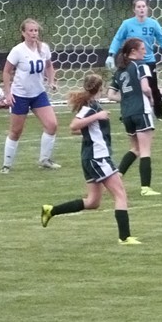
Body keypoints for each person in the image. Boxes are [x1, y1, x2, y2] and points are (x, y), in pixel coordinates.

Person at [40, 73, 141, 245]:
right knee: (120, 194)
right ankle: (124, 237)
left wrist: (93, 131)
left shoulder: (91, 106)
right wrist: (98, 117)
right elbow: (73, 125)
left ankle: (51, 210)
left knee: (93, 202)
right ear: (100, 88)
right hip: (98, 157)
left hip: (89, 157)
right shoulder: (91, 108)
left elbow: (77, 130)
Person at [0, 18, 61, 173]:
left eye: (36, 30)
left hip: (38, 94)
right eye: (31, 31)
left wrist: (51, 81)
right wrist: (8, 93)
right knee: (16, 131)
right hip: (20, 95)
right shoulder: (18, 50)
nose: (34, 33)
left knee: (52, 125)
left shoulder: (44, 48)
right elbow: (6, 71)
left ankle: (45, 160)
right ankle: (6, 165)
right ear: (23, 33)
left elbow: (49, 66)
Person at [106, 0, 162, 121]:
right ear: (134, 10)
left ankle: (158, 113)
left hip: (148, 61)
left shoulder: (153, 24)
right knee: (131, 88)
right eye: (138, 7)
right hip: (131, 62)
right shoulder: (127, 24)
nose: (141, 9)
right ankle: (127, 113)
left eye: (143, 6)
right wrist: (111, 54)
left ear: (147, 8)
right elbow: (118, 38)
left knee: (152, 87)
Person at [108, 38, 161, 197]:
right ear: (133, 51)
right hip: (141, 111)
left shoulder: (119, 71)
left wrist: (126, 98)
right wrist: (151, 99)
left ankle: (117, 177)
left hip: (126, 114)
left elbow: (110, 95)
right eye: (143, 49)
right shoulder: (141, 66)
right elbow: (145, 88)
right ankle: (146, 188)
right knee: (145, 150)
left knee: (135, 148)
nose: (145, 51)